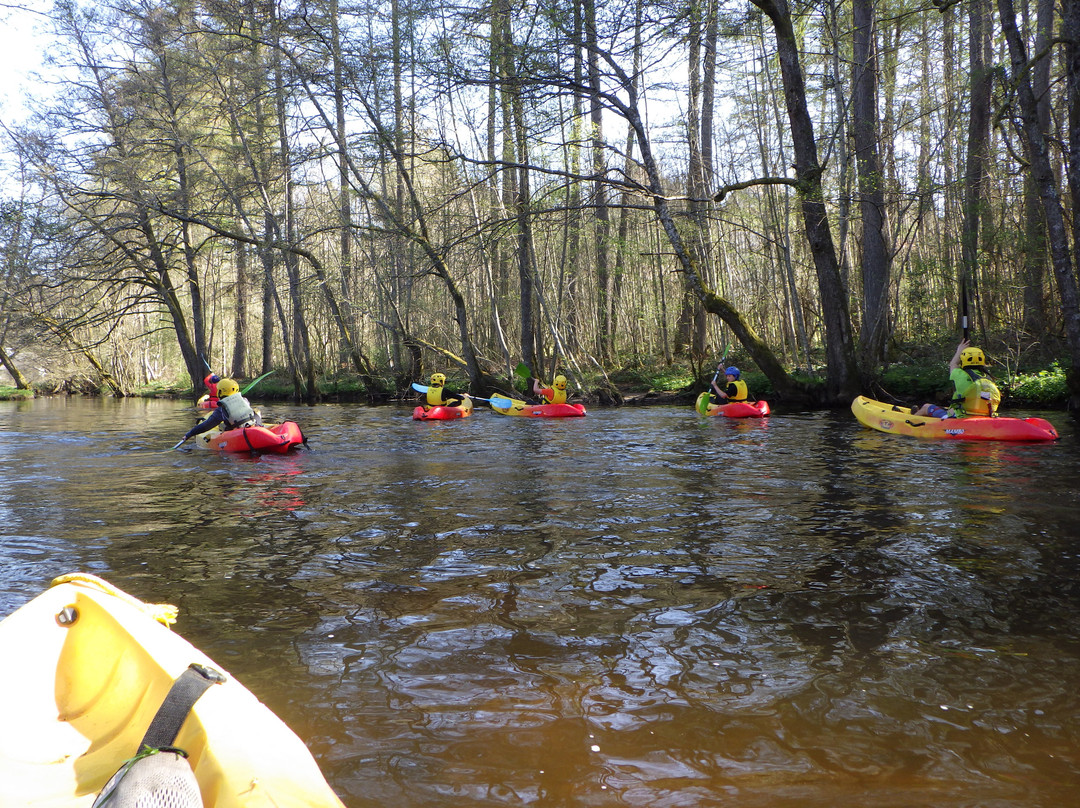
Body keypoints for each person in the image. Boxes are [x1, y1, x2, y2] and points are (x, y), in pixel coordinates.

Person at [913, 339, 1002, 418]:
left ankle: (911, 419)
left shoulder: (960, 374)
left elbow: (953, 364)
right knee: (948, 408)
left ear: (963, 360)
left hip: (961, 417)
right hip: (984, 415)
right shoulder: (988, 378)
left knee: (926, 407)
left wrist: (959, 350)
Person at [180, 378, 263, 442]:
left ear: (220, 392)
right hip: (253, 427)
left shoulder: (221, 409)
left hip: (237, 434)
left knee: (222, 426)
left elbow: (206, 426)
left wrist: (189, 434)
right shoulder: (245, 400)